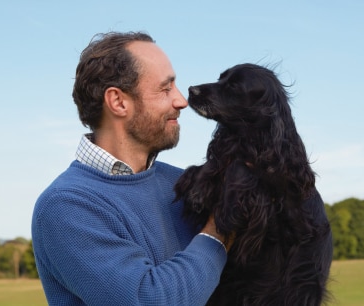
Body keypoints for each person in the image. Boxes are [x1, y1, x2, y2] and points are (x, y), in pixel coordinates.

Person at [31, 31, 229, 306]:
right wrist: (220, 229)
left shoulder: (181, 181)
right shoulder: (66, 206)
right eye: (165, 88)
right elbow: (149, 299)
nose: (182, 100)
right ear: (118, 102)